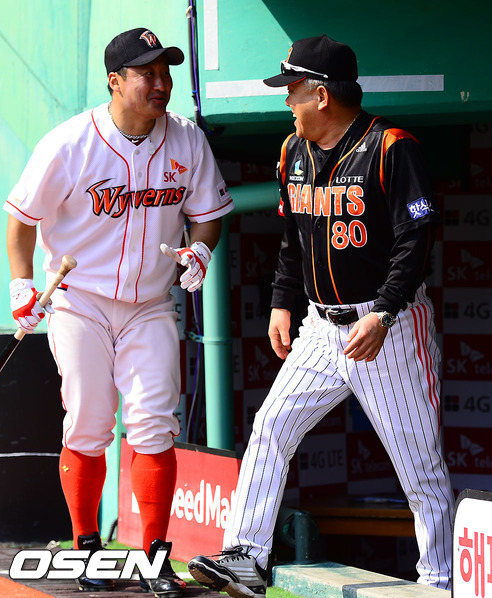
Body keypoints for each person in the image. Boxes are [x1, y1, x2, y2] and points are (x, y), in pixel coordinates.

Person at [188, 34, 454, 595]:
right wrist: (282, 300)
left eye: (293, 90)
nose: (287, 101)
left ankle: (438, 582)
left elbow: (416, 241)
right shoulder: (293, 151)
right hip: (320, 324)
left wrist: (384, 314)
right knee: (271, 428)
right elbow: (294, 237)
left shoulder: (391, 147)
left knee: (419, 466)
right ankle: (246, 556)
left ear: (322, 95)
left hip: (387, 328)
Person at [4, 27, 233, 596]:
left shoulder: (186, 139)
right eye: (146, 73)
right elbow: (22, 219)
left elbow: (208, 215)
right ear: (115, 80)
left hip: (149, 304)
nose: (161, 83)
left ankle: (155, 557)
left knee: (154, 422)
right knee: (88, 421)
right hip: (79, 301)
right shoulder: (69, 143)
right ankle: (86, 548)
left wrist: (201, 249)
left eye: (165, 72)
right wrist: (21, 286)